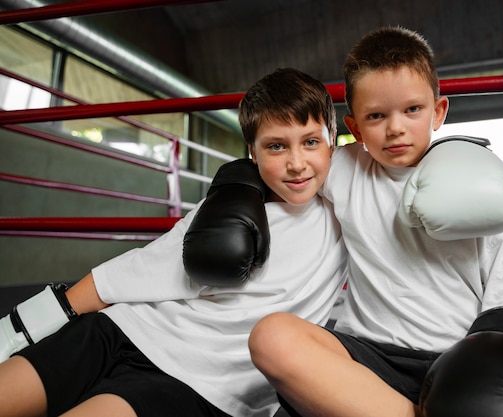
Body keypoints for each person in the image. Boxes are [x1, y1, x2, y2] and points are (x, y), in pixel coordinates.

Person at [244, 26, 503, 417]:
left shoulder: (476, 183)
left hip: (467, 364)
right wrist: (232, 190)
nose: (395, 127)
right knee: (273, 337)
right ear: (354, 128)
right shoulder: (345, 168)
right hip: (369, 363)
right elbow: (282, 160)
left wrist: (493, 358)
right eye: (376, 115)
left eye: (412, 109)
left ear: (438, 111)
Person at [0, 67, 347, 417]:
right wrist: (14, 332)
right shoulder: (231, 202)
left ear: (333, 139)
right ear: (252, 153)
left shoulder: (354, 196)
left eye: (311, 142)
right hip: (127, 328)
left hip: (204, 386)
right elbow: (134, 270)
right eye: (276, 146)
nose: (296, 163)